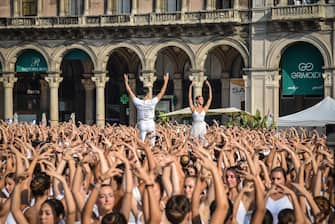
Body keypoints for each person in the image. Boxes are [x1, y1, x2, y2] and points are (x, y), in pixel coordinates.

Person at [124, 73, 169, 145]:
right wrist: (166, 81)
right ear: (148, 94)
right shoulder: (152, 102)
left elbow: (130, 92)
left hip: (142, 124)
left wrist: (126, 82)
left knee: (142, 144)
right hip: (150, 123)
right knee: (152, 145)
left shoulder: (139, 102)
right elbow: (162, 92)